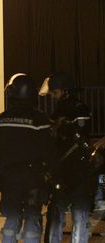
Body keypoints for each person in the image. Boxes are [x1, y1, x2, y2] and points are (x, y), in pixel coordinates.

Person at [0, 73, 53, 243]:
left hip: (10, 178)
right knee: (33, 217)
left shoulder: (3, 119)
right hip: (34, 178)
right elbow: (49, 151)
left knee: (11, 218)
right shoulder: (40, 119)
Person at [40, 72, 99, 243]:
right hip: (79, 172)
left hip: (65, 170)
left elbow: (62, 139)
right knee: (79, 215)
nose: (52, 96)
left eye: (55, 92)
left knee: (58, 214)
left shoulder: (68, 110)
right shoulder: (78, 108)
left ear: (65, 91)